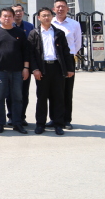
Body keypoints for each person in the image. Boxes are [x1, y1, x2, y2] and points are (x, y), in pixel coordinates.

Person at [29, 7, 74, 136]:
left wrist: (69, 68)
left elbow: (66, 52)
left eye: (48, 15)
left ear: (52, 17)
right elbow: (31, 54)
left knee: (58, 97)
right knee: (42, 97)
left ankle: (58, 124)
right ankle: (40, 124)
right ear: (39, 18)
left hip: (57, 68)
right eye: (43, 15)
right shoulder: (34, 33)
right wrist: (35, 69)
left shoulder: (59, 33)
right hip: (42, 68)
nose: (46, 17)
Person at [0, 7, 30, 134]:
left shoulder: (20, 32)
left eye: (10, 16)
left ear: (13, 18)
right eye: (4, 16)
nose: (7, 18)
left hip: (17, 71)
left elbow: (26, 52)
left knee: (17, 97)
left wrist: (26, 68)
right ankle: (0, 123)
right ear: (0, 18)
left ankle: (17, 123)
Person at [51, 0, 81, 130]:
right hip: (53, 60)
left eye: (63, 6)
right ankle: (53, 118)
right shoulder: (50, 22)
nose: (60, 9)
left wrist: (69, 56)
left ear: (67, 9)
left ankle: (66, 119)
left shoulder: (74, 24)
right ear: (53, 9)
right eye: (58, 7)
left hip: (68, 59)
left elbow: (77, 43)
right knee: (53, 91)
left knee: (67, 91)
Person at [8, 4, 34, 127]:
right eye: (15, 11)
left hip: (25, 65)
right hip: (9, 65)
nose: (18, 13)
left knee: (23, 93)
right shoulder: (7, 26)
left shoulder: (30, 27)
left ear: (23, 12)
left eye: (20, 11)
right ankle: (11, 116)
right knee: (10, 93)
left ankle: (21, 116)